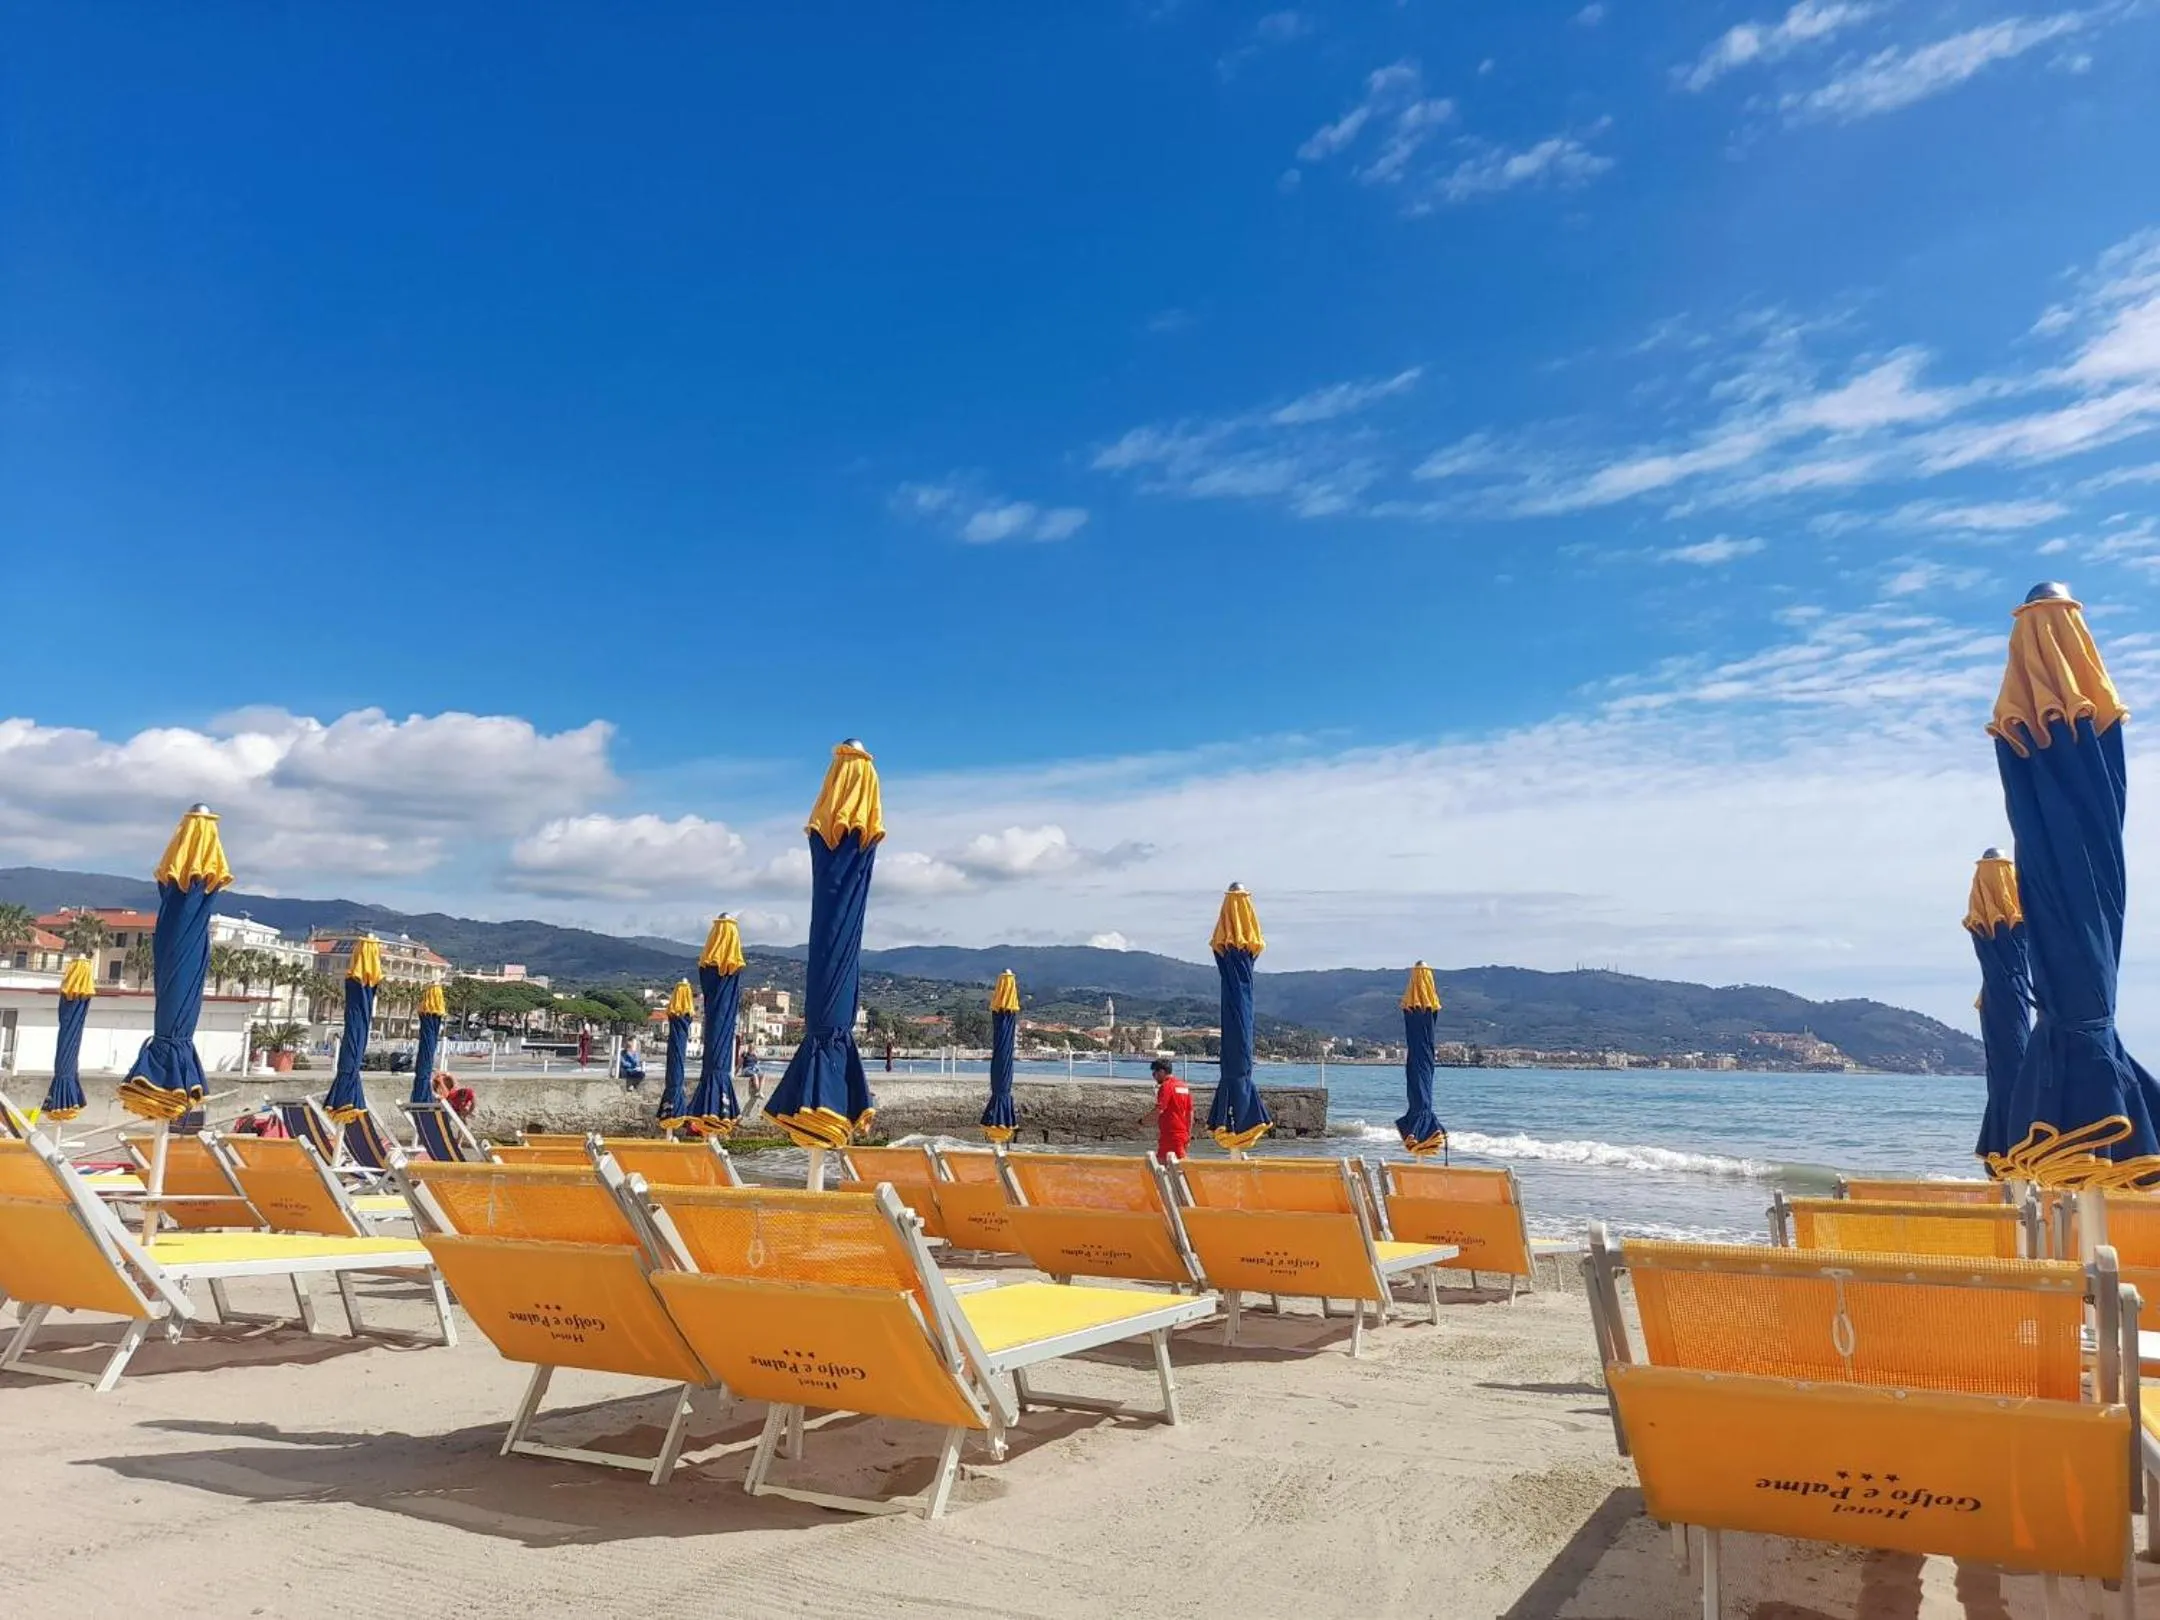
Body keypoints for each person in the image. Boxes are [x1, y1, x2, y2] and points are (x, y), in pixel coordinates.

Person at [1141, 1057, 1192, 1163]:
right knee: (1167, 1167)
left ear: (1162, 1071)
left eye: (1154, 1073)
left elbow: (1160, 1109)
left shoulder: (1166, 1086)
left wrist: (1143, 1121)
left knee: (1175, 1167)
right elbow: (1190, 1112)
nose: (1153, 1076)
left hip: (1171, 1135)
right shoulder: (1183, 1086)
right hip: (1182, 1134)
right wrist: (1188, 1134)